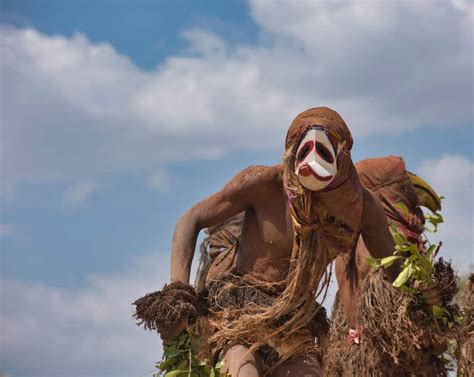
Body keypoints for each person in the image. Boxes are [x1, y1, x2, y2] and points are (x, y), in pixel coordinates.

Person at [134, 107, 400, 376]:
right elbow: (190, 220)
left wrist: (427, 298)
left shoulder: (359, 207)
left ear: (342, 154)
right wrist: (178, 295)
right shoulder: (263, 184)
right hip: (239, 315)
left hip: (296, 322)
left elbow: (396, 270)